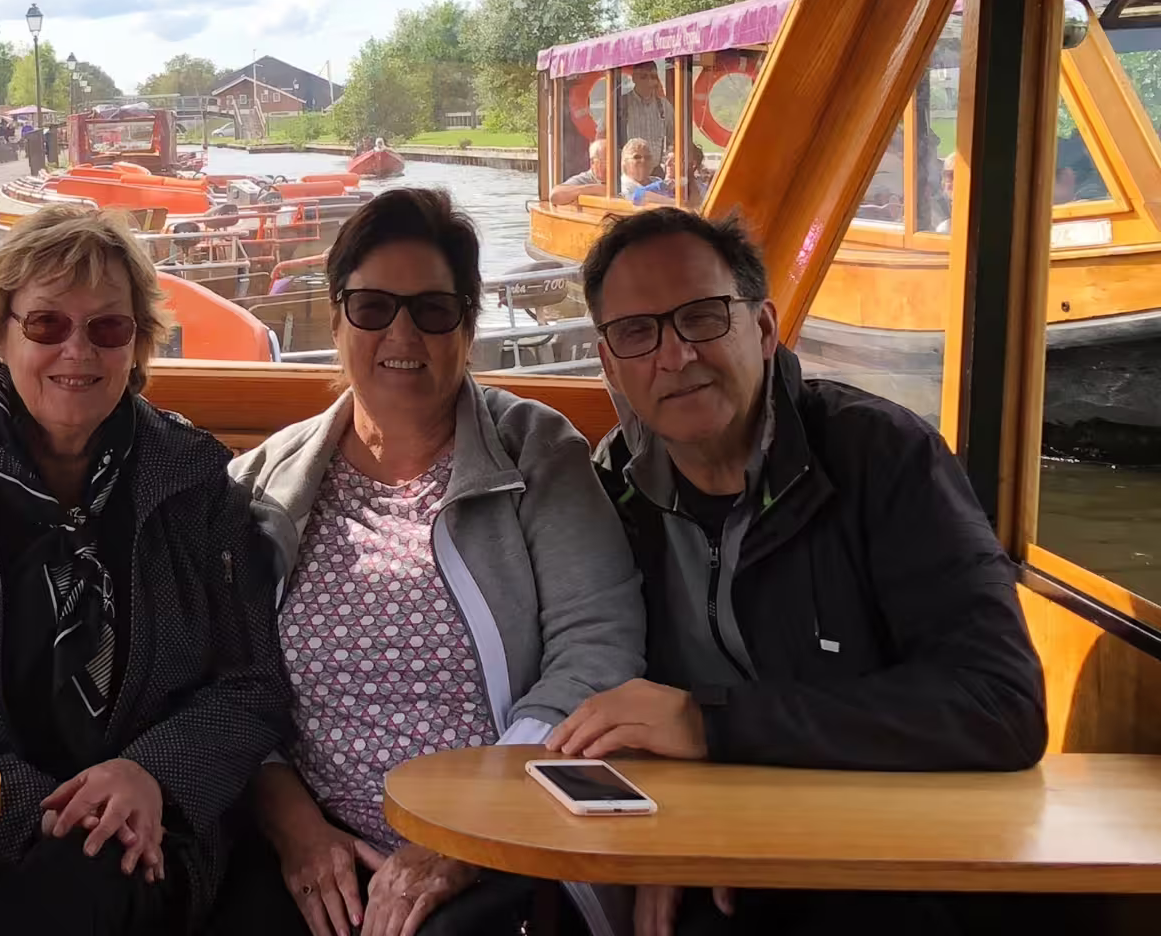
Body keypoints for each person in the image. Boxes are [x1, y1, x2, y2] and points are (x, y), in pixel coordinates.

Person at [547, 208, 1046, 936]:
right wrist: (663, 831)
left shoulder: (881, 457)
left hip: (887, 861)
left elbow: (999, 704)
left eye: (702, 317)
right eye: (638, 332)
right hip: (709, 853)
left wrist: (714, 725)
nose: (675, 355)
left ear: (763, 326)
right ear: (609, 362)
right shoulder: (612, 490)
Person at [0, 205, 291, 936]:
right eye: (47, 324)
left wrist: (150, 776)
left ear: (135, 345)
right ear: (2, 336)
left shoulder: (195, 486)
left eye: (108, 328)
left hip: (155, 839)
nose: (78, 351)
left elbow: (252, 682)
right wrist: (43, 815)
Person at [216, 188, 644, 936]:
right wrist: (296, 831)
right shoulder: (263, 484)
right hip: (312, 847)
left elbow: (596, 651)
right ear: (338, 314)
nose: (402, 332)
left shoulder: (537, 454)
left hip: (504, 841)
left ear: (468, 324)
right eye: (374, 307)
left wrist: (464, 836)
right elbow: (223, 677)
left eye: (433, 309)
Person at [620, 63, 674, 166]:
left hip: (656, 170)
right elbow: (603, 135)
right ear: (634, 78)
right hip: (629, 171)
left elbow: (674, 138)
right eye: (643, 76)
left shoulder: (664, 106)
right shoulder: (621, 103)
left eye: (653, 77)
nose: (649, 81)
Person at [548, 138, 608, 206]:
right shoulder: (585, 179)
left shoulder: (619, 177)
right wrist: (596, 189)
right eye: (606, 161)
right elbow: (554, 196)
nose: (613, 165)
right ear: (593, 163)